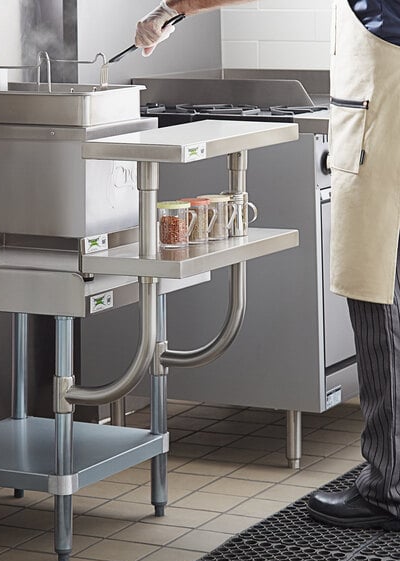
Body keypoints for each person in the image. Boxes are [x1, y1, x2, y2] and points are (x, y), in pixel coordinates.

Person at [135, 0, 400, 530]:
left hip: (383, 120)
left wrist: (171, 10)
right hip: (380, 111)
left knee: (377, 301)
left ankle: (390, 489)